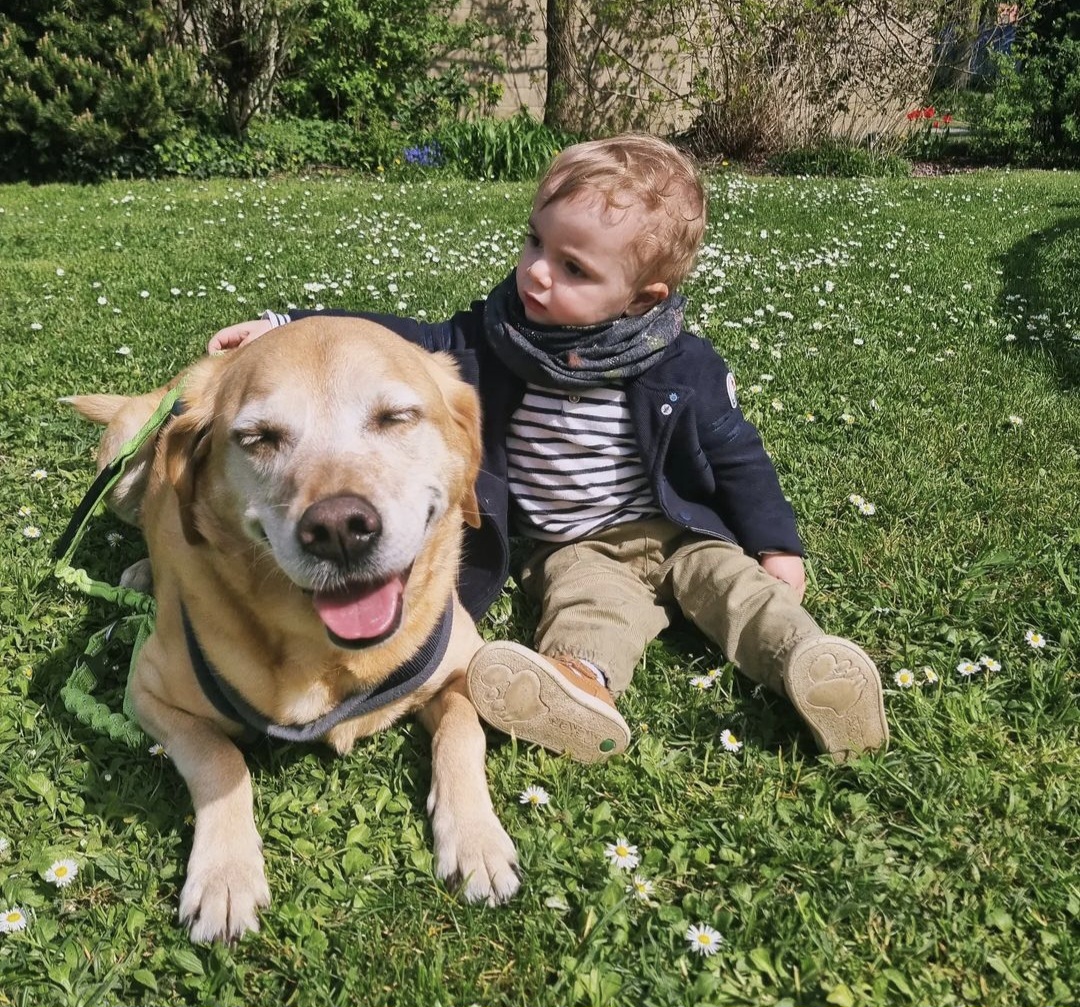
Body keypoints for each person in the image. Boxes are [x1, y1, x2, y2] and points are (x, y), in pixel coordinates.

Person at [208, 133, 888, 764]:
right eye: (535, 243)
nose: (537, 274)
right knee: (591, 609)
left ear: (641, 297)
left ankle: (810, 662)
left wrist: (778, 546)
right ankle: (578, 689)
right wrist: (284, 323)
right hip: (578, 543)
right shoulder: (495, 337)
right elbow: (403, 337)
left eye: (573, 267)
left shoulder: (683, 366)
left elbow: (740, 455)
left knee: (738, 590)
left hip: (680, 531)